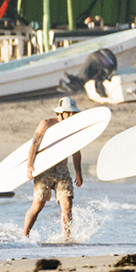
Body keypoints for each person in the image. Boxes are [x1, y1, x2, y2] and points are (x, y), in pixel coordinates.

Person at [23, 97, 84, 241]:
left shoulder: (73, 127)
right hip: (44, 169)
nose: (70, 116)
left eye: (73, 113)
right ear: (60, 112)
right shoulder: (46, 124)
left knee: (67, 204)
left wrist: (79, 173)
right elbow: (35, 143)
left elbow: (76, 151)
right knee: (37, 206)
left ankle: (66, 238)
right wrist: (30, 165)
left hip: (62, 169)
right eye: (68, 113)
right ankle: (24, 236)